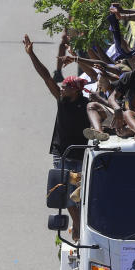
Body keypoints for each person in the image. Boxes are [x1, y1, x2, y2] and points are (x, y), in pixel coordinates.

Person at [23, 34, 89, 236]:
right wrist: (31, 54)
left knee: (82, 195)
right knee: (65, 193)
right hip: (62, 154)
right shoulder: (61, 100)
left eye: (67, 86)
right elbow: (46, 77)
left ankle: (82, 225)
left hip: (81, 156)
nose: (62, 87)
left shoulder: (89, 106)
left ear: (76, 91)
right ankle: (77, 226)